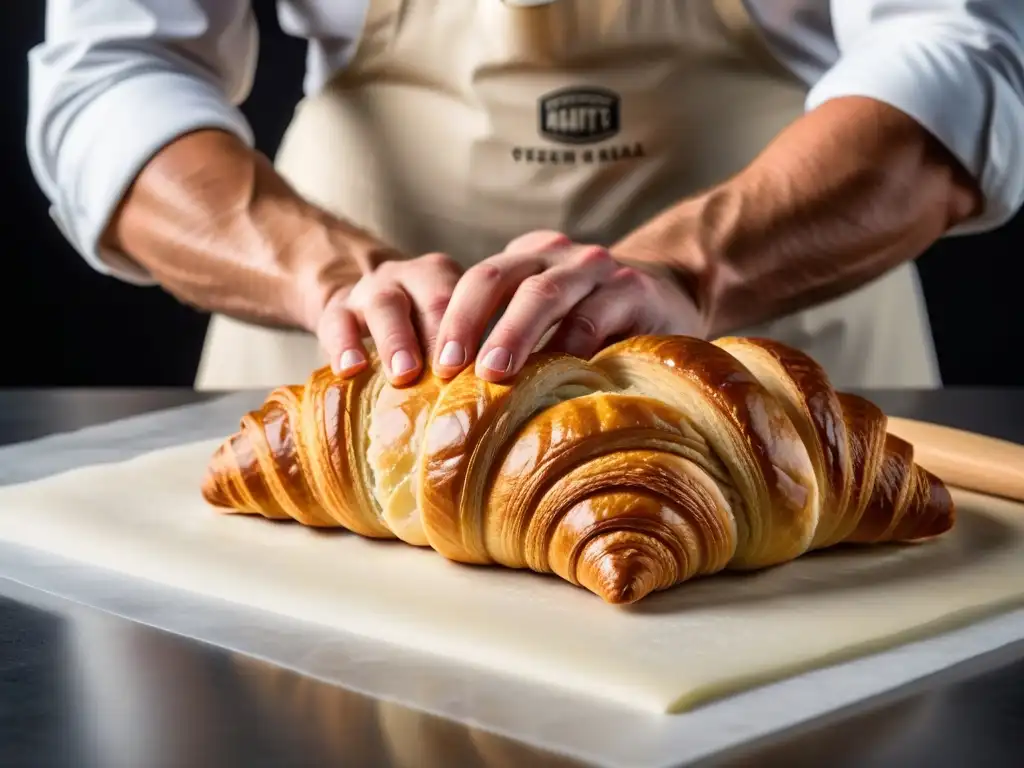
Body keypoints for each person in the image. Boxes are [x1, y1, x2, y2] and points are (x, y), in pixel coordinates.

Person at [27, 1, 1024, 392]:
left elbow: (967, 52)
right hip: (334, 372)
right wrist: (332, 280)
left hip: (777, 366)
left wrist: (691, 268)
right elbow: (114, 68)